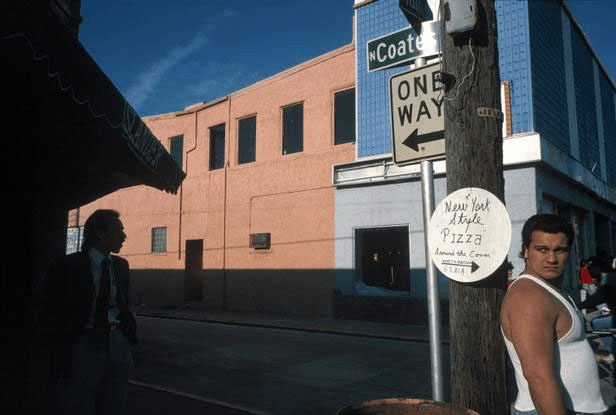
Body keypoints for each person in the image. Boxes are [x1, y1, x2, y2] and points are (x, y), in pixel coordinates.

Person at [500, 214, 607, 415]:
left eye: (560, 250)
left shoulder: (548, 289)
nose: (551, 259)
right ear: (526, 251)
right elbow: (538, 377)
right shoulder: (529, 297)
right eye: (542, 249)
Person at [40, 209, 138, 415]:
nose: (124, 236)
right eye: (119, 230)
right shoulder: (67, 265)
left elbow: (123, 304)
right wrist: (60, 350)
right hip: (83, 342)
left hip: (117, 342)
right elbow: (51, 310)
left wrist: (127, 338)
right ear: (101, 234)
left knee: (115, 404)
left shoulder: (121, 266)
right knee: (80, 402)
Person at [580, 261, 616, 363]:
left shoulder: (607, 280)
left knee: (595, 323)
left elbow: (595, 299)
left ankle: (611, 352)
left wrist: (579, 305)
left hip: (609, 313)